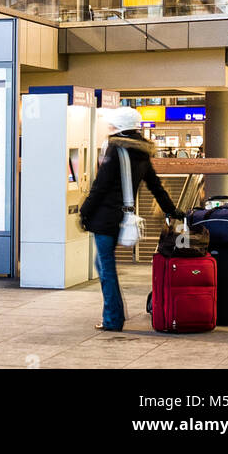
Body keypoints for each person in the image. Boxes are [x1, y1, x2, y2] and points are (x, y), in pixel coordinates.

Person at [79, 106, 184, 332]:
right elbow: (155, 185)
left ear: (120, 128)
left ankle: (113, 319)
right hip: (124, 216)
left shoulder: (115, 150)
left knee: (106, 268)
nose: (109, 128)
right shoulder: (141, 153)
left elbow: (100, 187)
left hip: (106, 218)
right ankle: (115, 315)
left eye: (113, 125)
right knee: (102, 263)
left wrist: (84, 211)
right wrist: (171, 209)